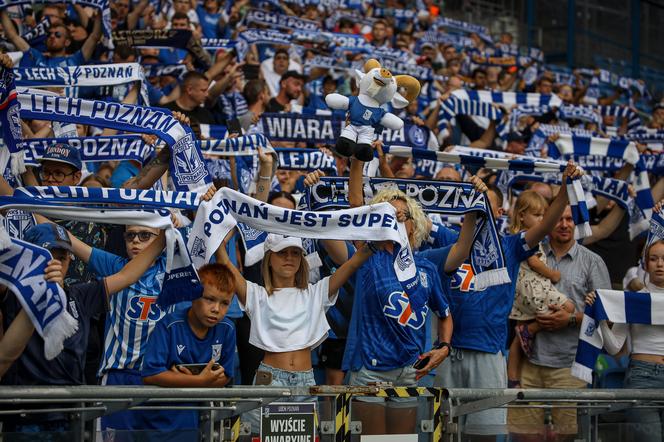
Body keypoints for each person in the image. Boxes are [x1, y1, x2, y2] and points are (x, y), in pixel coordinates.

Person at [422, 162, 582, 440]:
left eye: (483, 206)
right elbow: (412, 214)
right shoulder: (449, 239)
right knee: (443, 433)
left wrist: (566, 189)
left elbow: (545, 224)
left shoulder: (510, 246)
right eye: (472, 207)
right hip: (446, 353)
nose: (477, 212)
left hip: (487, 353)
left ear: (498, 213)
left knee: (483, 435)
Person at [343, 158, 487, 435]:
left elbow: (445, 315)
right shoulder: (368, 257)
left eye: (403, 214)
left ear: (414, 224)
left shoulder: (426, 265)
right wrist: (357, 164)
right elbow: (354, 210)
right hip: (371, 371)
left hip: (410, 370)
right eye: (389, 214)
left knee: (401, 440)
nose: (397, 218)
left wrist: (443, 347)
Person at [0, 223, 165, 438]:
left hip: (71, 412)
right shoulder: (12, 296)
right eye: (48, 256)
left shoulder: (80, 295)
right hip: (25, 415)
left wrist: (164, 237)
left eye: (63, 257)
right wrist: (40, 291)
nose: (56, 264)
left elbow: (127, 276)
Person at [508, 204, 611, 441]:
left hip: (570, 365)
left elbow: (608, 316)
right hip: (529, 362)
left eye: (569, 219)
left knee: (567, 437)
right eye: (558, 219)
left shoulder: (592, 262)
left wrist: (571, 319)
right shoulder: (531, 252)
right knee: (524, 435)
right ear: (547, 220)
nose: (564, 224)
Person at [584, 200, 664, 442]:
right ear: (645, 263)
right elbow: (615, 349)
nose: (660, 264)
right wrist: (602, 317)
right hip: (642, 377)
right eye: (654, 259)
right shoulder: (631, 300)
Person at [141, 263, 236, 438]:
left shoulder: (227, 328)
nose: (216, 309)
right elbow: (151, 374)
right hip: (163, 423)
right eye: (209, 299)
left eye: (225, 303)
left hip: (204, 424)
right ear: (193, 295)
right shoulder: (169, 325)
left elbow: (226, 376)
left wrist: (189, 379)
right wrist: (200, 381)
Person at [505, 191, 576, 385]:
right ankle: (531, 329)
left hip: (525, 289)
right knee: (568, 307)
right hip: (533, 288)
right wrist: (552, 274)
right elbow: (534, 263)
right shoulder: (527, 239)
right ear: (521, 216)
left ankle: (512, 379)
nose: (543, 220)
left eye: (544, 215)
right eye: (537, 215)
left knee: (516, 343)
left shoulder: (517, 236)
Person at [1, 9, 101, 67]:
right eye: (49, 34)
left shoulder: (75, 60)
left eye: (57, 35)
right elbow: (12, 36)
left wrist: (100, 15)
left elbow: (94, 37)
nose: (52, 36)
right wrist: (2, 9)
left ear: (67, 42)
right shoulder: (37, 57)